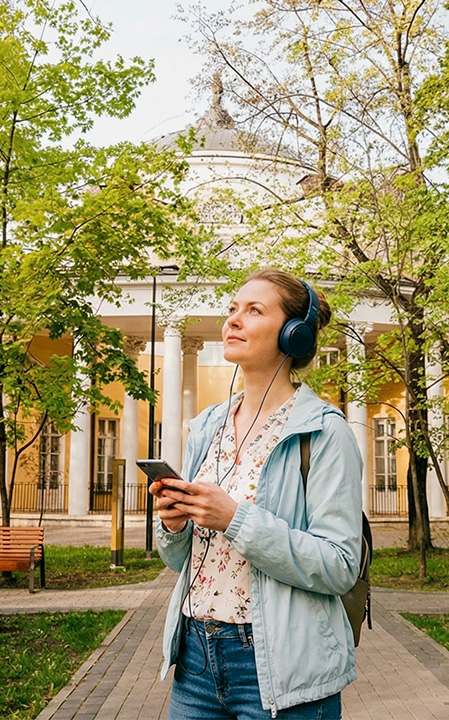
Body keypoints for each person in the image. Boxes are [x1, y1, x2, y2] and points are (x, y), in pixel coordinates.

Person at [150, 269, 364, 719]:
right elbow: (179, 561)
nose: (233, 320)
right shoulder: (207, 426)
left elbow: (340, 565)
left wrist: (235, 519)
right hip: (195, 659)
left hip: (281, 669)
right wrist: (174, 525)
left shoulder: (324, 432)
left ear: (293, 335)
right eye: (232, 309)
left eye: (254, 310)